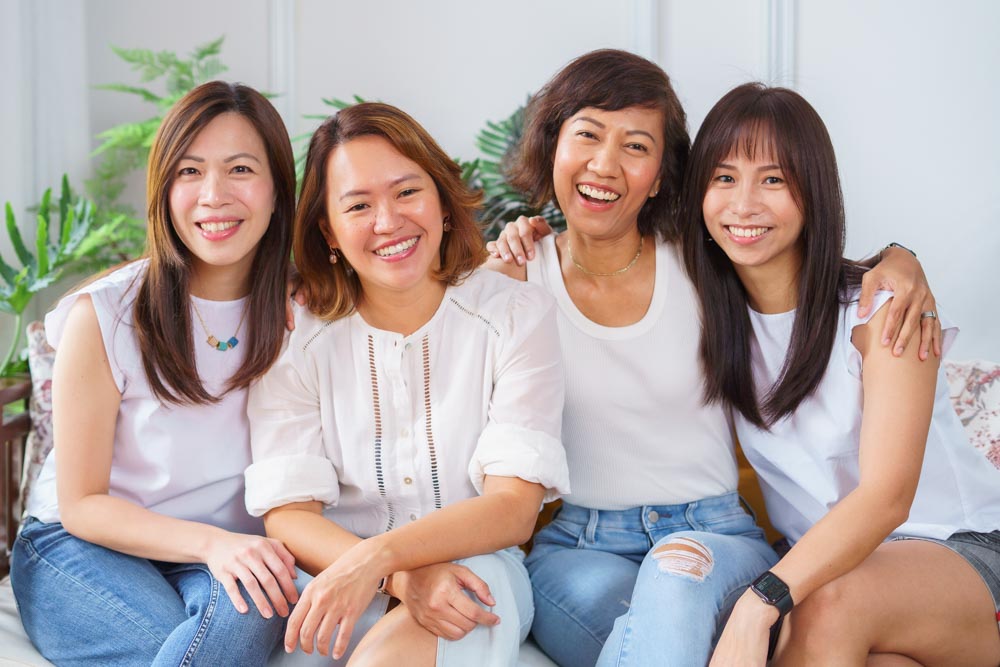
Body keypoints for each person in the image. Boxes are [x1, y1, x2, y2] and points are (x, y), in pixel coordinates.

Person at [486, 49, 942, 666]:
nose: (605, 164)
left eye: (636, 146)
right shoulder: (511, 282)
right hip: (580, 546)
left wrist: (900, 255)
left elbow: (802, 265)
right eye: (587, 135)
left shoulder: (703, 263)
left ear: (663, 174)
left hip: (717, 533)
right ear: (552, 146)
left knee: (675, 583)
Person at [679, 82, 1000, 666]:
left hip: (961, 553)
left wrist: (761, 602)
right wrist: (529, 243)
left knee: (827, 603)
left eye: (773, 180)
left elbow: (886, 498)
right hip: (839, 575)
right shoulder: (706, 315)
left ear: (814, 192)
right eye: (724, 178)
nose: (744, 204)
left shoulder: (886, 309)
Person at [244, 102, 570, 666]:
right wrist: (397, 577)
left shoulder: (516, 314)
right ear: (329, 232)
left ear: (443, 202)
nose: (388, 221)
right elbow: (287, 512)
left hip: (477, 571)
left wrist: (381, 560)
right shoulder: (295, 336)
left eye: (407, 193)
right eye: (358, 205)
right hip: (336, 577)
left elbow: (514, 508)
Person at [10, 81, 300, 664]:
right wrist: (215, 544)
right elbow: (83, 502)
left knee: (257, 613)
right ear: (164, 191)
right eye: (189, 172)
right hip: (80, 543)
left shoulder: (310, 308)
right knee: (163, 647)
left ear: (276, 190)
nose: (214, 195)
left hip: (222, 554)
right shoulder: (108, 313)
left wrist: (516, 244)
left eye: (240, 168)